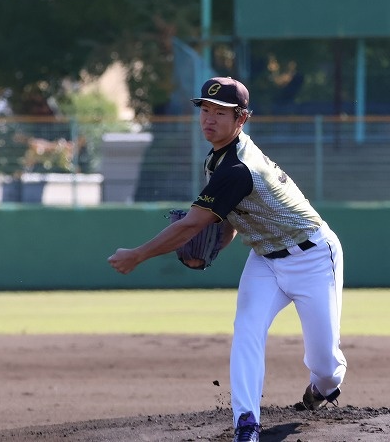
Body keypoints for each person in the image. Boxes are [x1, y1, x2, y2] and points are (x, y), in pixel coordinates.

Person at [108, 77, 346, 442]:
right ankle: (246, 423)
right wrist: (215, 246)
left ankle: (322, 387)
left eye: (221, 112)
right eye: (205, 109)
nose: (209, 118)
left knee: (324, 364)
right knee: (247, 332)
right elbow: (229, 218)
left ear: (242, 118)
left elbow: (192, 225)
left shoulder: (237, 167)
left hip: (312, 257)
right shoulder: (217, 158)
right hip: (265, 260)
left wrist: (137, 255)